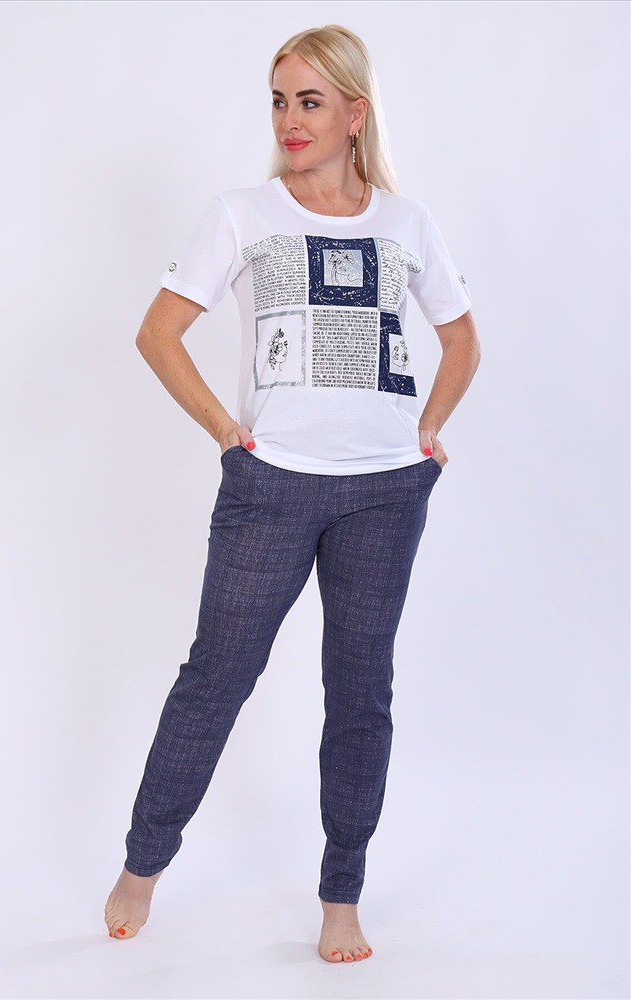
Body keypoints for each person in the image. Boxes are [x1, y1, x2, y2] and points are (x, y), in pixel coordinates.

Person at [104, 24, 481, 963]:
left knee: (359, 694)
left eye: (310, 101)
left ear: (355, 114)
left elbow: (461, 338)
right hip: (269, 485)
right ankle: (142, 865)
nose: (289, 120)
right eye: (279, 100)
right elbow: (157, 333)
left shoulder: (406, 223)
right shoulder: (242, 214)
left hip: (384, 491)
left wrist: (426, 432)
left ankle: (340, 895)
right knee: (215, 679)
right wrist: (226, 434)